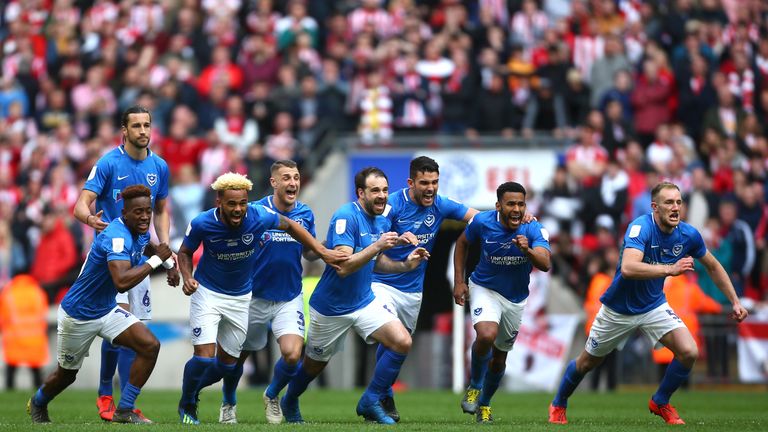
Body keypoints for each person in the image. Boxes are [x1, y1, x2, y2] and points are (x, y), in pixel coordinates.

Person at [548, 182, 749, 425]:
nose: (675, 208)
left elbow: (714, 266)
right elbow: (629, 268)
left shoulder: (688, 234)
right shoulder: (640, 227)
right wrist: (670, 269)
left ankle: (660, 401)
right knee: (588, 361)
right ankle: (558, 403)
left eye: (678, 202)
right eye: (668, 203)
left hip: (653, 305)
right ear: (654, 207)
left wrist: (735, 301)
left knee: (689, 351)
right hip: (618, 309)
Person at [175, 172, 346, 425]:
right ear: (219, 201)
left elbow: (290, 225)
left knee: (226, 366)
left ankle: (269, 395)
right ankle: (188, 402)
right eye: (232, 203)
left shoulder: (258, 217)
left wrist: (321, 250)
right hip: (208, 293)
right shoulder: (202, 223)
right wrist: (187, 277)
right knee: (203, 357)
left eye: (242, 203)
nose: (238, 209)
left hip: (242, 297)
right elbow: (185, 252)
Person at [279, 167, 429, 425]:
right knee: (314, 365)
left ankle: (371, 399)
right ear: (361, 193)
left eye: (384, 190)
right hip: (331, 308)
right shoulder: (345, 217)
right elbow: (343, 267)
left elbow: (377, 262)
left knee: (402, 341)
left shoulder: (382, 219)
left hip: (364, 301)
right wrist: (377, 245)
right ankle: (290, 398)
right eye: (375, 191)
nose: (382, 196)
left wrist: (405, 264)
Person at [27, 185, 174, 424]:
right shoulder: (116, 236)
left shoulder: (139, 228)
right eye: (138, 212)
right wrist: (158, 260)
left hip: (107, 310)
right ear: (124, 213)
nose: (145, 216)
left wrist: (168, 266)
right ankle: (39, 401)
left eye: (148, 210)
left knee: (150, 346)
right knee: (66, 376)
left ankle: (125, 409)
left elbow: (145, 245)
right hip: (79, 315)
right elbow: (121, 281)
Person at [73, 105, 176, 422]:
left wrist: (165, 249)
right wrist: (92, 219)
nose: (143, 131)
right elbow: (79, 205)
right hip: (111, 258)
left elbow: (161, 209)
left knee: (136, 332)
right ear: (124, 130)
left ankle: (125, 404)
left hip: (140, 257)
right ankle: (106, 395)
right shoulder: (108, 163)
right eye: (136, 126)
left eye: (147, 125)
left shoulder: (159, 166)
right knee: (120, 326)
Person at [369, 156, 477, 421]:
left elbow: (478, 218)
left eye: (435, 182)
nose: (430, 188)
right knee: (395, 339)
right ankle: (376, 397)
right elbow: (373, 240)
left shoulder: (440, 205)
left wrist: (516, 219)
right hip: (382, 282)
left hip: (413, 290)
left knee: (398, 346)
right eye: (424, 182)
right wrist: (396, 240)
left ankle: (383, 393)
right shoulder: (392, 204)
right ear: (411, 182)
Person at [217, 160, 319, 424]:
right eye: (286, 177)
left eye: (296, 177)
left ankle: (272, 395)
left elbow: (309, 251)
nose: (293, 183)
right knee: (238, 357)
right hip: (254, 296)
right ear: (274, 182)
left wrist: (330, 248)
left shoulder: (306, 213)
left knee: (293, 355)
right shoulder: (255, 211)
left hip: (289, 295)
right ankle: (228, 402)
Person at [453, 182, 552, 424]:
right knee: (486, 334)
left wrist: (527, 250)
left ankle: (484, 404)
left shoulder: (533, 228)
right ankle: (474, 386)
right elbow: (462, 243)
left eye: (520, 203)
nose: (516, 209)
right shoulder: (482, 222)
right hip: (484, 288)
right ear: (499, 205)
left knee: (500, 358)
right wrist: (459, 281)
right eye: (511, 204)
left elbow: (546, 263)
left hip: (516, 299)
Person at [0, 274, 49, 390]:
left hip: (14, 337)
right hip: (35, 337)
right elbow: (43, 312)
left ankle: (9, 390)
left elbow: (2, 316)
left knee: (11, 367)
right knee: (36, 369)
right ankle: (40, 393)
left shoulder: (8, 293)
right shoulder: (37, 292)